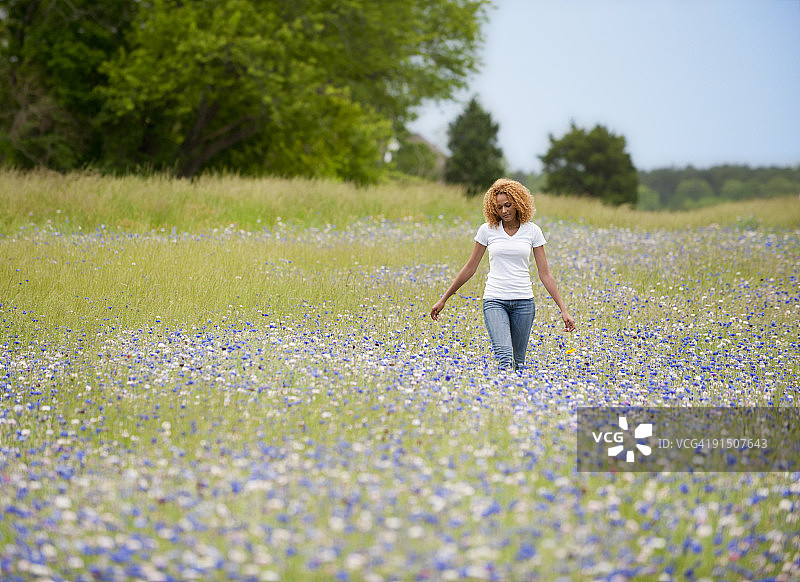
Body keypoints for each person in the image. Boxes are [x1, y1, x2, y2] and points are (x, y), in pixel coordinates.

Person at [430, 178, 575, 372]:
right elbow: (470, 268)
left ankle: (512, 400)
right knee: (505, 357)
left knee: (519, 363)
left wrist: (563, 309)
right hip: (495, 300)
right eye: (499, 207)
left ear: (518, 203)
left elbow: (545, 273)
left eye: (508, 205)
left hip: (524, 302)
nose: (504, 211)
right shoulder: (487, 230)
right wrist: (444, 299)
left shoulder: (533, 231)